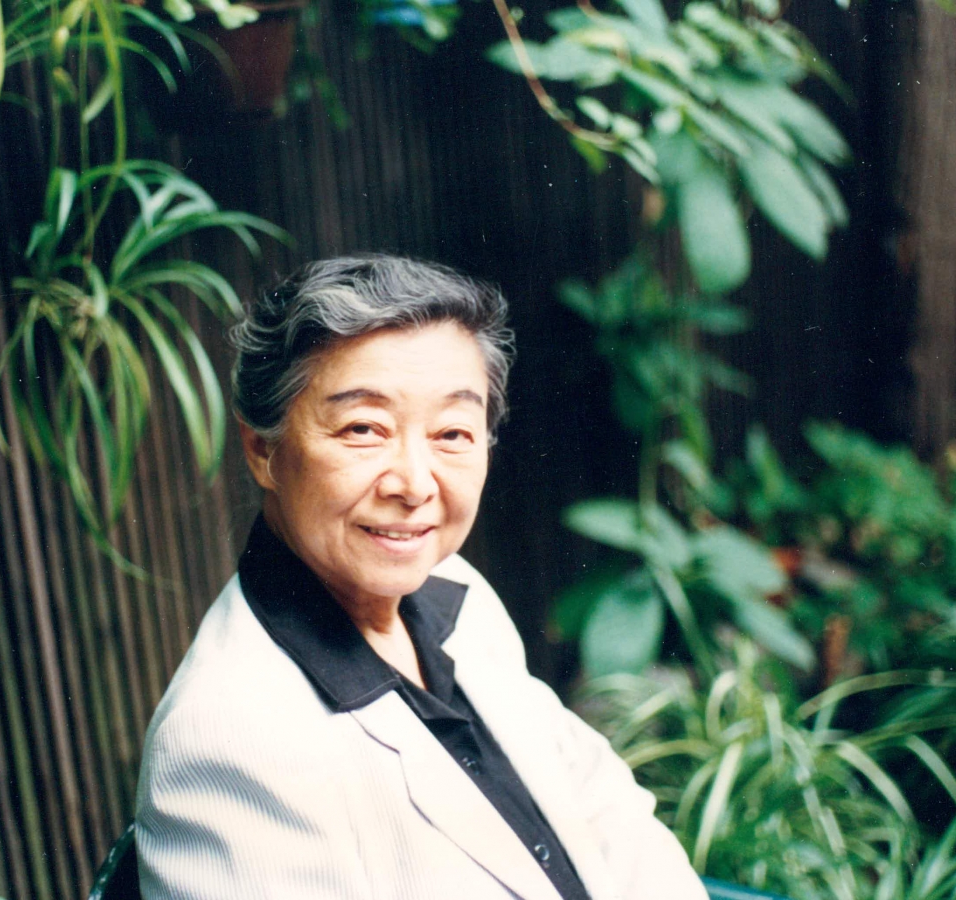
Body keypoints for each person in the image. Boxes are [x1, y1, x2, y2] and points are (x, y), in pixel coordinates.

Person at [135, 255, 708, 900]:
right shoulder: (229, 739)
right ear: (263, 449)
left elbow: (604, 808)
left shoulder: (451, 591)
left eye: (453, 432)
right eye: (364, 429)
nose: (414, 483)